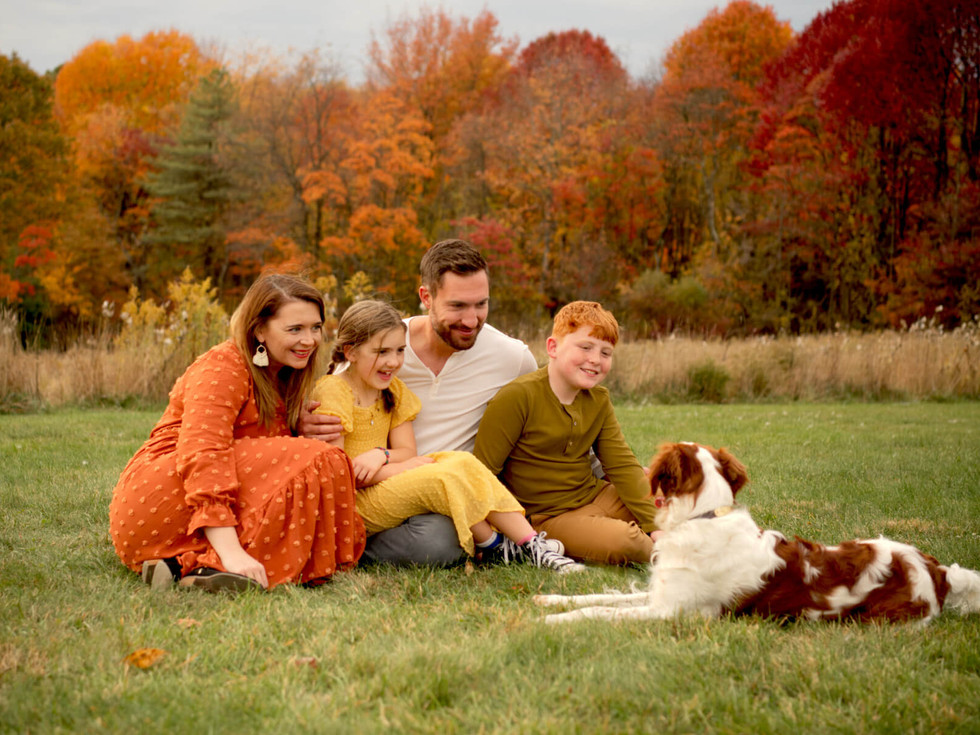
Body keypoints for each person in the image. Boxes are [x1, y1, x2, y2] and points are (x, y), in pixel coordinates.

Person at [109, 272, 366, 593]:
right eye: (295, 329)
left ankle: (183, 566)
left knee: (323, 460)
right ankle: (222, 559)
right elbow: (204, 452)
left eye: (316, 328)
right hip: (163, 493)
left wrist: (296, 429)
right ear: (259, 329)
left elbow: (259, 456)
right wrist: (231, 553)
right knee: (318, 459)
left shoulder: (283, 374)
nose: (310, 340)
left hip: (212, 485)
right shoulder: (224, 364)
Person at [300, 239, 537, 566]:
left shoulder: (512, 357)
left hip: (440, 490)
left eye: (481, 304)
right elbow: (331, 433)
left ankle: (526, 544)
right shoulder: (380, 342)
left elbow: (549, 410)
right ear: (426, 297)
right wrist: (304, 422)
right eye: (457, 306)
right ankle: (349, 546)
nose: (471, 320)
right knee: (438, 540)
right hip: (380, 492)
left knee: (444, 533)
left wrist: (602, 471)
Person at [309, 300, 583, 573]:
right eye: (381, 352)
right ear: (351, 352)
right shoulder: (334, 391)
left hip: (381, 486)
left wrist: (381, 455)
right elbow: (338, 476)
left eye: (400, 350)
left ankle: (531, 545)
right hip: (353, 503)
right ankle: (496, 546)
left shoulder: (394, 390)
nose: (393, 361)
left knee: (461, 461)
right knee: (443, 477)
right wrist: (398, 468)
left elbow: (406, 451)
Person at [474, 301, 658, 565]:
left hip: (597, 495)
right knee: (627, 542)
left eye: (606, 353)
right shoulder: (518, 397)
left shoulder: (599, 399)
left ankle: (686, 540)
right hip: (549, 517)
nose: (595, 359)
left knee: (672, 501)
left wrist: (657, 526)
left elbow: (621, 465)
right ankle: (671, 554)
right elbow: (481, 475)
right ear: (553, 347)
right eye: (585, 347)